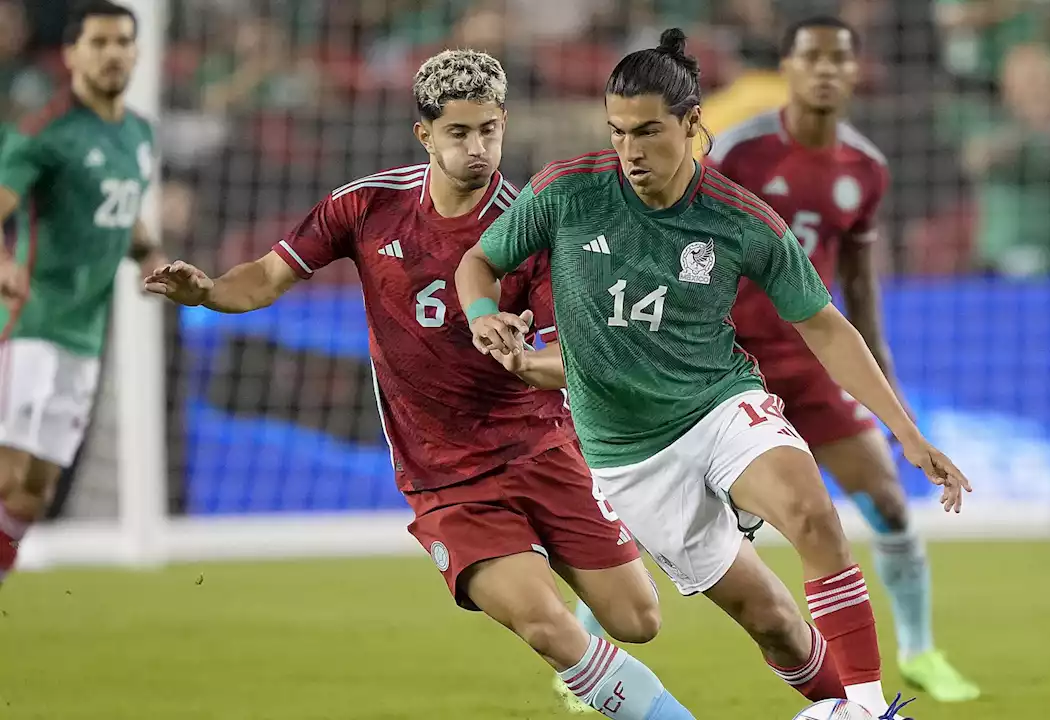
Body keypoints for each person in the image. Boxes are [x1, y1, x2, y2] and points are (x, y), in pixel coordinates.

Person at [144, 50, 696, 720]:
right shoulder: (367, 205)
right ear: (424, 134)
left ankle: (590, 661)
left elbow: (574, 359)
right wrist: (205, 292)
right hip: (446, 478)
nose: (478, 148)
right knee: (552, 632)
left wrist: (522, 356)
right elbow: (265, 277)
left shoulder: (535, 228)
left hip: (541, 450)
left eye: (489, 130)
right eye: (459, 133)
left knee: (638, 620)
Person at [456, 28, 970, 718]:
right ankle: (835, 699)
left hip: (720, 405)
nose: (631, 151)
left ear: (692, 123)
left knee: (813, 516)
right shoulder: (567, 192)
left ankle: (871, 708)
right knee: (775, 623)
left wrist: (906, 432)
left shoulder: (738, 217)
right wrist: (484, 314)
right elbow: (477, 263)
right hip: (628, 453)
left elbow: (826, 325)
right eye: (618, 132)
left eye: (648, 132)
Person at [695, 16, 980, 702]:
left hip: (817, 362)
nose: (825, 70)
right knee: (682, 516)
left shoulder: (866, 168)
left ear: (855, 73)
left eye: (838, 60)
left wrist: (893, 400)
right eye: (811, 58)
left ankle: (920, 650)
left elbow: (858, 287)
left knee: (884, 497)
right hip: (736, 363)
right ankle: (595, 643)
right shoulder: (739, 152)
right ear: (788, 68)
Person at [0, 0, 165, 586]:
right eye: (98, 42)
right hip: (30, 322)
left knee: (36, 491)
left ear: (136, 51)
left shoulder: (140, 134)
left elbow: (123, 217)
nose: (112, 53)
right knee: (8, 472)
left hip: (86, 332)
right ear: (71, 54)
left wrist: (150, 255)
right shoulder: (45, 133)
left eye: (122, 41)